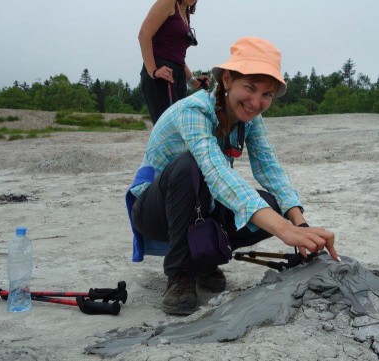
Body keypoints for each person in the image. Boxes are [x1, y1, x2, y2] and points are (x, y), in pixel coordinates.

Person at [126, 36, 340, 315]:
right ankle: (180, 273)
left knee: (274, 205)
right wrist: (283, 230)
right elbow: (214, 172)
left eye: (267, 95)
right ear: (227, 80)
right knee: (189, 165)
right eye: (249, 88)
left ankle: (204, 261)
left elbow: (270, 168)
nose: (256, 102)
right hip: (155, 211)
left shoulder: (249, 120)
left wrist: (298, 224)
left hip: (203, 205)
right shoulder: (194, 111)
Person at [138, 0, 210, 125]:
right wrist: (153, 71)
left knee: (180, 129)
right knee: (170, 129)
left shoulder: (185, 12)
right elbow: (144, 34)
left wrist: (193, 81)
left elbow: (178, 57)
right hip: (162, 75)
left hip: (178, 76)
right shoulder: (169, 2)